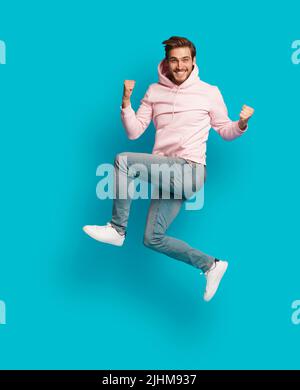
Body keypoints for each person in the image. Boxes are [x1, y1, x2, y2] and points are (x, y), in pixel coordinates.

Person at [83, 36, 254, 301]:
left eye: (185, 60)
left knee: (124, 161)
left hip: (190, 170)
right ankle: (211, 264)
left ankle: (117, 229)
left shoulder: (209, 92)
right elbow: (134, 131)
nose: (180, 65)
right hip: (166, 174)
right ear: (166, 62)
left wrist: (241, 123)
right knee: (153, 237)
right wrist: (126, 102)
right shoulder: (154, 92)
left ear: (193, 61)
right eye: (174, 60)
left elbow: (224, 129)